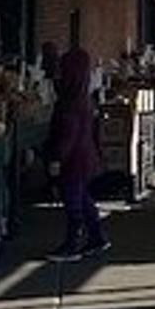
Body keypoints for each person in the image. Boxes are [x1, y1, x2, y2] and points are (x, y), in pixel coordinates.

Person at [45, 46, 107, 260]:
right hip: (84, 156)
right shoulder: (83, 98)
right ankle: (97, 237)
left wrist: (56, 159)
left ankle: (73, 243)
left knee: (73, 201)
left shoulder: (69, 102)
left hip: (73, 159)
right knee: (82, 198)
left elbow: (67, 133)